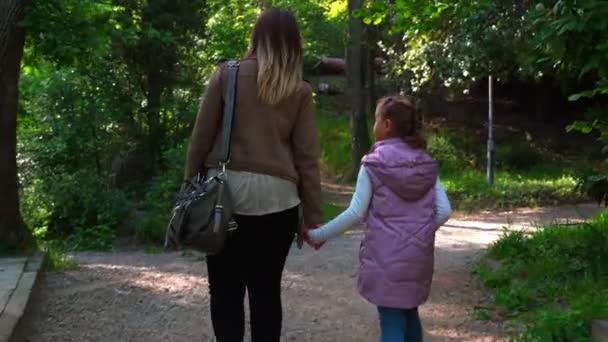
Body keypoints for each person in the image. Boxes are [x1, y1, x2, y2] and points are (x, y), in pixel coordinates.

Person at [183, 9, 322, 342]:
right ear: (293, 44)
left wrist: (189, 183)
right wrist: (313, 216)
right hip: (279, 200)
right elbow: (307, 158)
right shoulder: (299, 90)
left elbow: (201, 138)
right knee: (266, 292)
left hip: (224, 195)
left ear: (255, 37)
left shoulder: (226, 75)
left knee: (225, 290)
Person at [306, 96, 452, 342]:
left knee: (392, 323)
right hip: (418, 257)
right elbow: (444, 210)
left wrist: (317, 234)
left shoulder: (374, 164)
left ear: (387, 124)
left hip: (387, 257)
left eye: (375, 120)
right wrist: (421, 231)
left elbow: (355, 213)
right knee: (409, 315)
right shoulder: (425, 164)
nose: (373, 125)